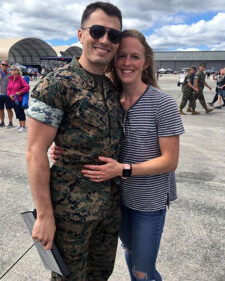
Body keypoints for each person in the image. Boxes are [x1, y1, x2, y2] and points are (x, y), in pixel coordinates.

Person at [52, 29, 184, 281]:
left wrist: (123, 169)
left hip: (148, 202)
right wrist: (64, 148)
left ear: (146, 63)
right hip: (116, 199)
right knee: (130, 253)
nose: (126, 62)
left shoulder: (161, 103)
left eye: (135, 57)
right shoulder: (109, 96)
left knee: (142, 270)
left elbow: (170, 160)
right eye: (121, 56)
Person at [26, 1, 123, 281]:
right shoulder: (56, 85)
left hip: (108, 209)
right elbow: (35, 152)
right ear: (81, 35)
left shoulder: (111, 88)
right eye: (97, 31)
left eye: (114, 35)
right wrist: (44, 215)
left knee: (101, 274)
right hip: (71, 213)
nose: (105, 40)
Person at [7, 65, 30, 132]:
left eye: (14, 69)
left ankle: (23, 127)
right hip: (13, 99)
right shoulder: (10, 79)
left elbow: (27, 87)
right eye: (11, 69)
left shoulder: (20, 79)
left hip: (19, 99)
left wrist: (20, 92)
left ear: (17, 71)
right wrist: (10, 95)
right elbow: (8, 89)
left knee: (20, 112)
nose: (12, 70)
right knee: (17, 112)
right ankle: (20, 125)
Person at [0, 60, 14, 128]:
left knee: (9, 109)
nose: (4, 66)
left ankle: (10, 122)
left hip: (8, 95)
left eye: (6, 65)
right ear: (0, 65)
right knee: (1, 109)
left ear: (8, 66)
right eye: (3, 64)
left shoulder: (10, 74)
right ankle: (2, 122)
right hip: (0, 95)